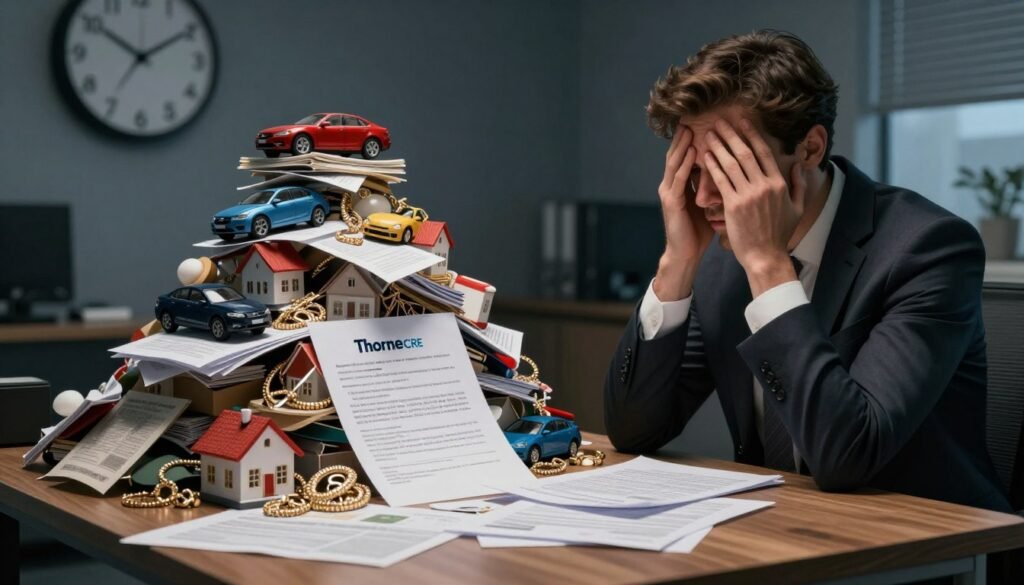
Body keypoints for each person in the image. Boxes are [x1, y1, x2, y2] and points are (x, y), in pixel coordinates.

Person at [603, 29, 1011, 514]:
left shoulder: (929, 249)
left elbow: (846, 457)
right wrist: (677, 262)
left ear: (810, 148)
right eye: (693, 171)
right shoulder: (716, 262)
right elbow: (634, 431)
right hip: (789, 528)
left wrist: (768, 266)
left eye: (729, 168)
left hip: (927, 542)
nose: (705, 197)